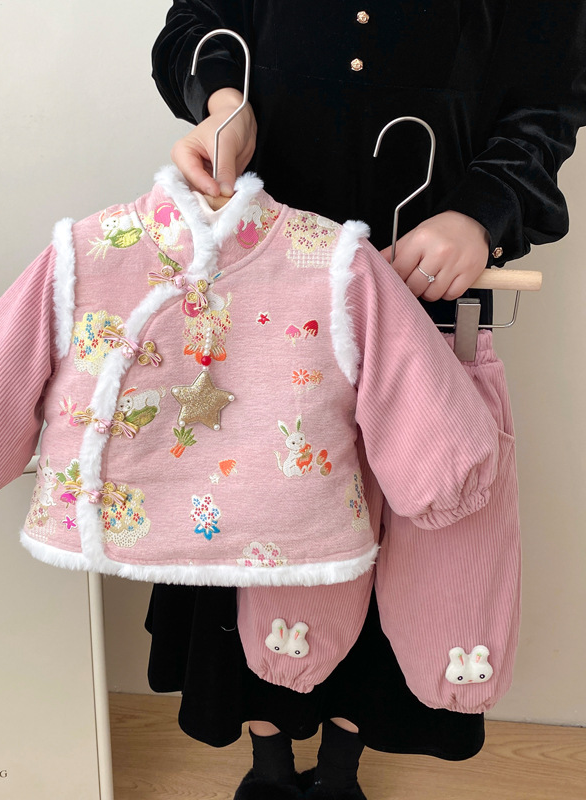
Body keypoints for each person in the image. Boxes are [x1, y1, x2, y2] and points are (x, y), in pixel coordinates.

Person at [146, 3, 586, 799]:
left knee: (413, 527)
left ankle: (341, 767)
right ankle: (269, 763)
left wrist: (480, 212)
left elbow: (549, 98)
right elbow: (200, 18)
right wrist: (224, 103)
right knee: (259, 513)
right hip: (263, 266)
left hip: (427, 281)